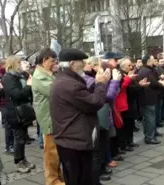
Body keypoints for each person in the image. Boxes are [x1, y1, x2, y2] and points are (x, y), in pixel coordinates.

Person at [49, 48, 111, 185]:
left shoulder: (66, 79)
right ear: (72, 64)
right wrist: (101, 84)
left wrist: (96, 83)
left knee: (76, 177)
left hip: (71, 139)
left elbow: (83, 98)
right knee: (80, 179)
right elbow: (94, 103)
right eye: (81, 61)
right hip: (74, 141)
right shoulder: (68, 84)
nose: (84, 64)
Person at [32, 49, 63, 185]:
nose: (55, 63)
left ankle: (57, 177)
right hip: (48, 119)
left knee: (55, 152)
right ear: (44, 61)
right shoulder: (39, 77)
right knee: (51, 153)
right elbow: (57, 92)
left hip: (52, 118)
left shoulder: (46, 73)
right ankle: (52, 180)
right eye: (52, 61)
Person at [1, 55, 35, 173]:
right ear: (14, 64)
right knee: (19, 138)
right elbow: (17, 94)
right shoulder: (8, 78)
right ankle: (19, 162)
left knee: (22, 138)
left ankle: (23, 160)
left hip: (22, 111)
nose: (22, 65)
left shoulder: (19, 76)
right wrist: (29, 85)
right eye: (20, 63)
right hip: (15, 112)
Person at [137, 55, 164, 144]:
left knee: (148, 118)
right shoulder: (147, 71)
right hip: (148, 98)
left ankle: (150, 134)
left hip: (146, 97)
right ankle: (150, 137)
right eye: (152, 60)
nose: (154, 61)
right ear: (148, 61)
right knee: (150, 118)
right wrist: (162, 84)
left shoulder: (144, 70)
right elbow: (153, 83)